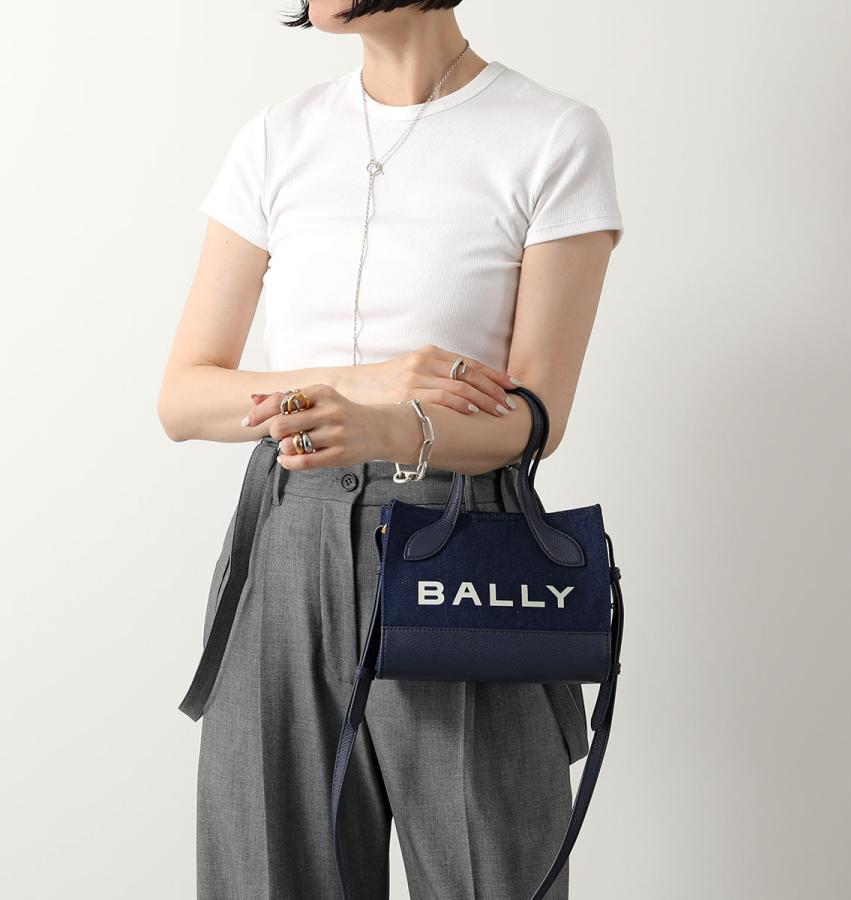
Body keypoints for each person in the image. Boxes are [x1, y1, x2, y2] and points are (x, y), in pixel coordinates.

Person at [157, 1, 624, 897]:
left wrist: (397, 430)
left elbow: (536, 416)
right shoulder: (277, 138)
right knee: (266, 874)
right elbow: (184, 397)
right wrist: (367, 383)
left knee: (490, 875)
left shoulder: (552, 135)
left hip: (458, 547)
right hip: (285, 545)